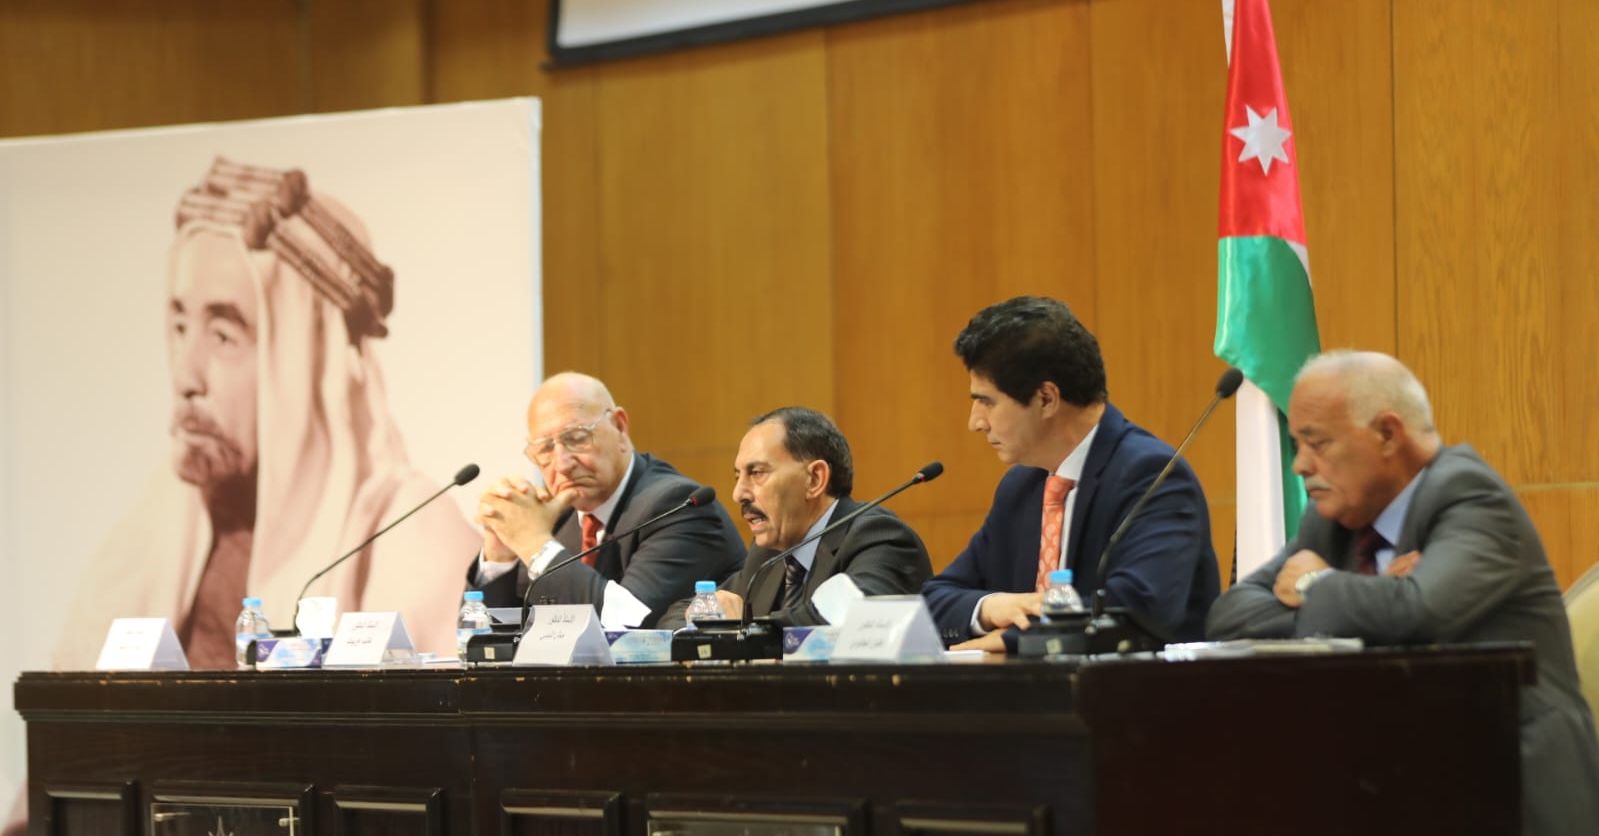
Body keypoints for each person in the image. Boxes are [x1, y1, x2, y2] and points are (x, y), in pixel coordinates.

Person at [1206, 350, 1599, 836]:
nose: (1300, 466)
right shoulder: (1334, 517)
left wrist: (1319, 586)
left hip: (1507, 783)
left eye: (1318, 443)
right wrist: (1368, 596)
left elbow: (1420, 612)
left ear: (1388, 434)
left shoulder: (1472, 498)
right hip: (1405, 777)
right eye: (1296, 446)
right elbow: (1230, 616)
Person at [57, 157, 479, 667]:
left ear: (309, 359)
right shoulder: (144, 543)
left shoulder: (410, 538)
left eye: (223, 336)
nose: (187, 377)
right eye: (180, 328)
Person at [922, 295, 1220, 650]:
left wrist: (1011, 640)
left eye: (987, 401)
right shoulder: (1022, 487)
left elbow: (1139, 609)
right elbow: (934, 600)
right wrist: (992, 607)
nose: (975, 422)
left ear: (1046, 399)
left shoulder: (1151, 475)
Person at [470, 372, 745, 627]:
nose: (562, 464)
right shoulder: (559, 519)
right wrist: (501, 554)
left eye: (577, 437)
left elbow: (628, 626)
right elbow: (492, 641)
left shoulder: (678, 507)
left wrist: (534, 544)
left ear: (619, 427)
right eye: (545, 448)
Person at [658, 407, 933, 628]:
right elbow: (675, 616)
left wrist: (742, 628)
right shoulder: (768, 556)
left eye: (757, 473)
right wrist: (704, 616)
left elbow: (848, 619)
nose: (738, 493)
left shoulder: (878, 537)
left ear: (814, 479)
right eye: (738, 476)